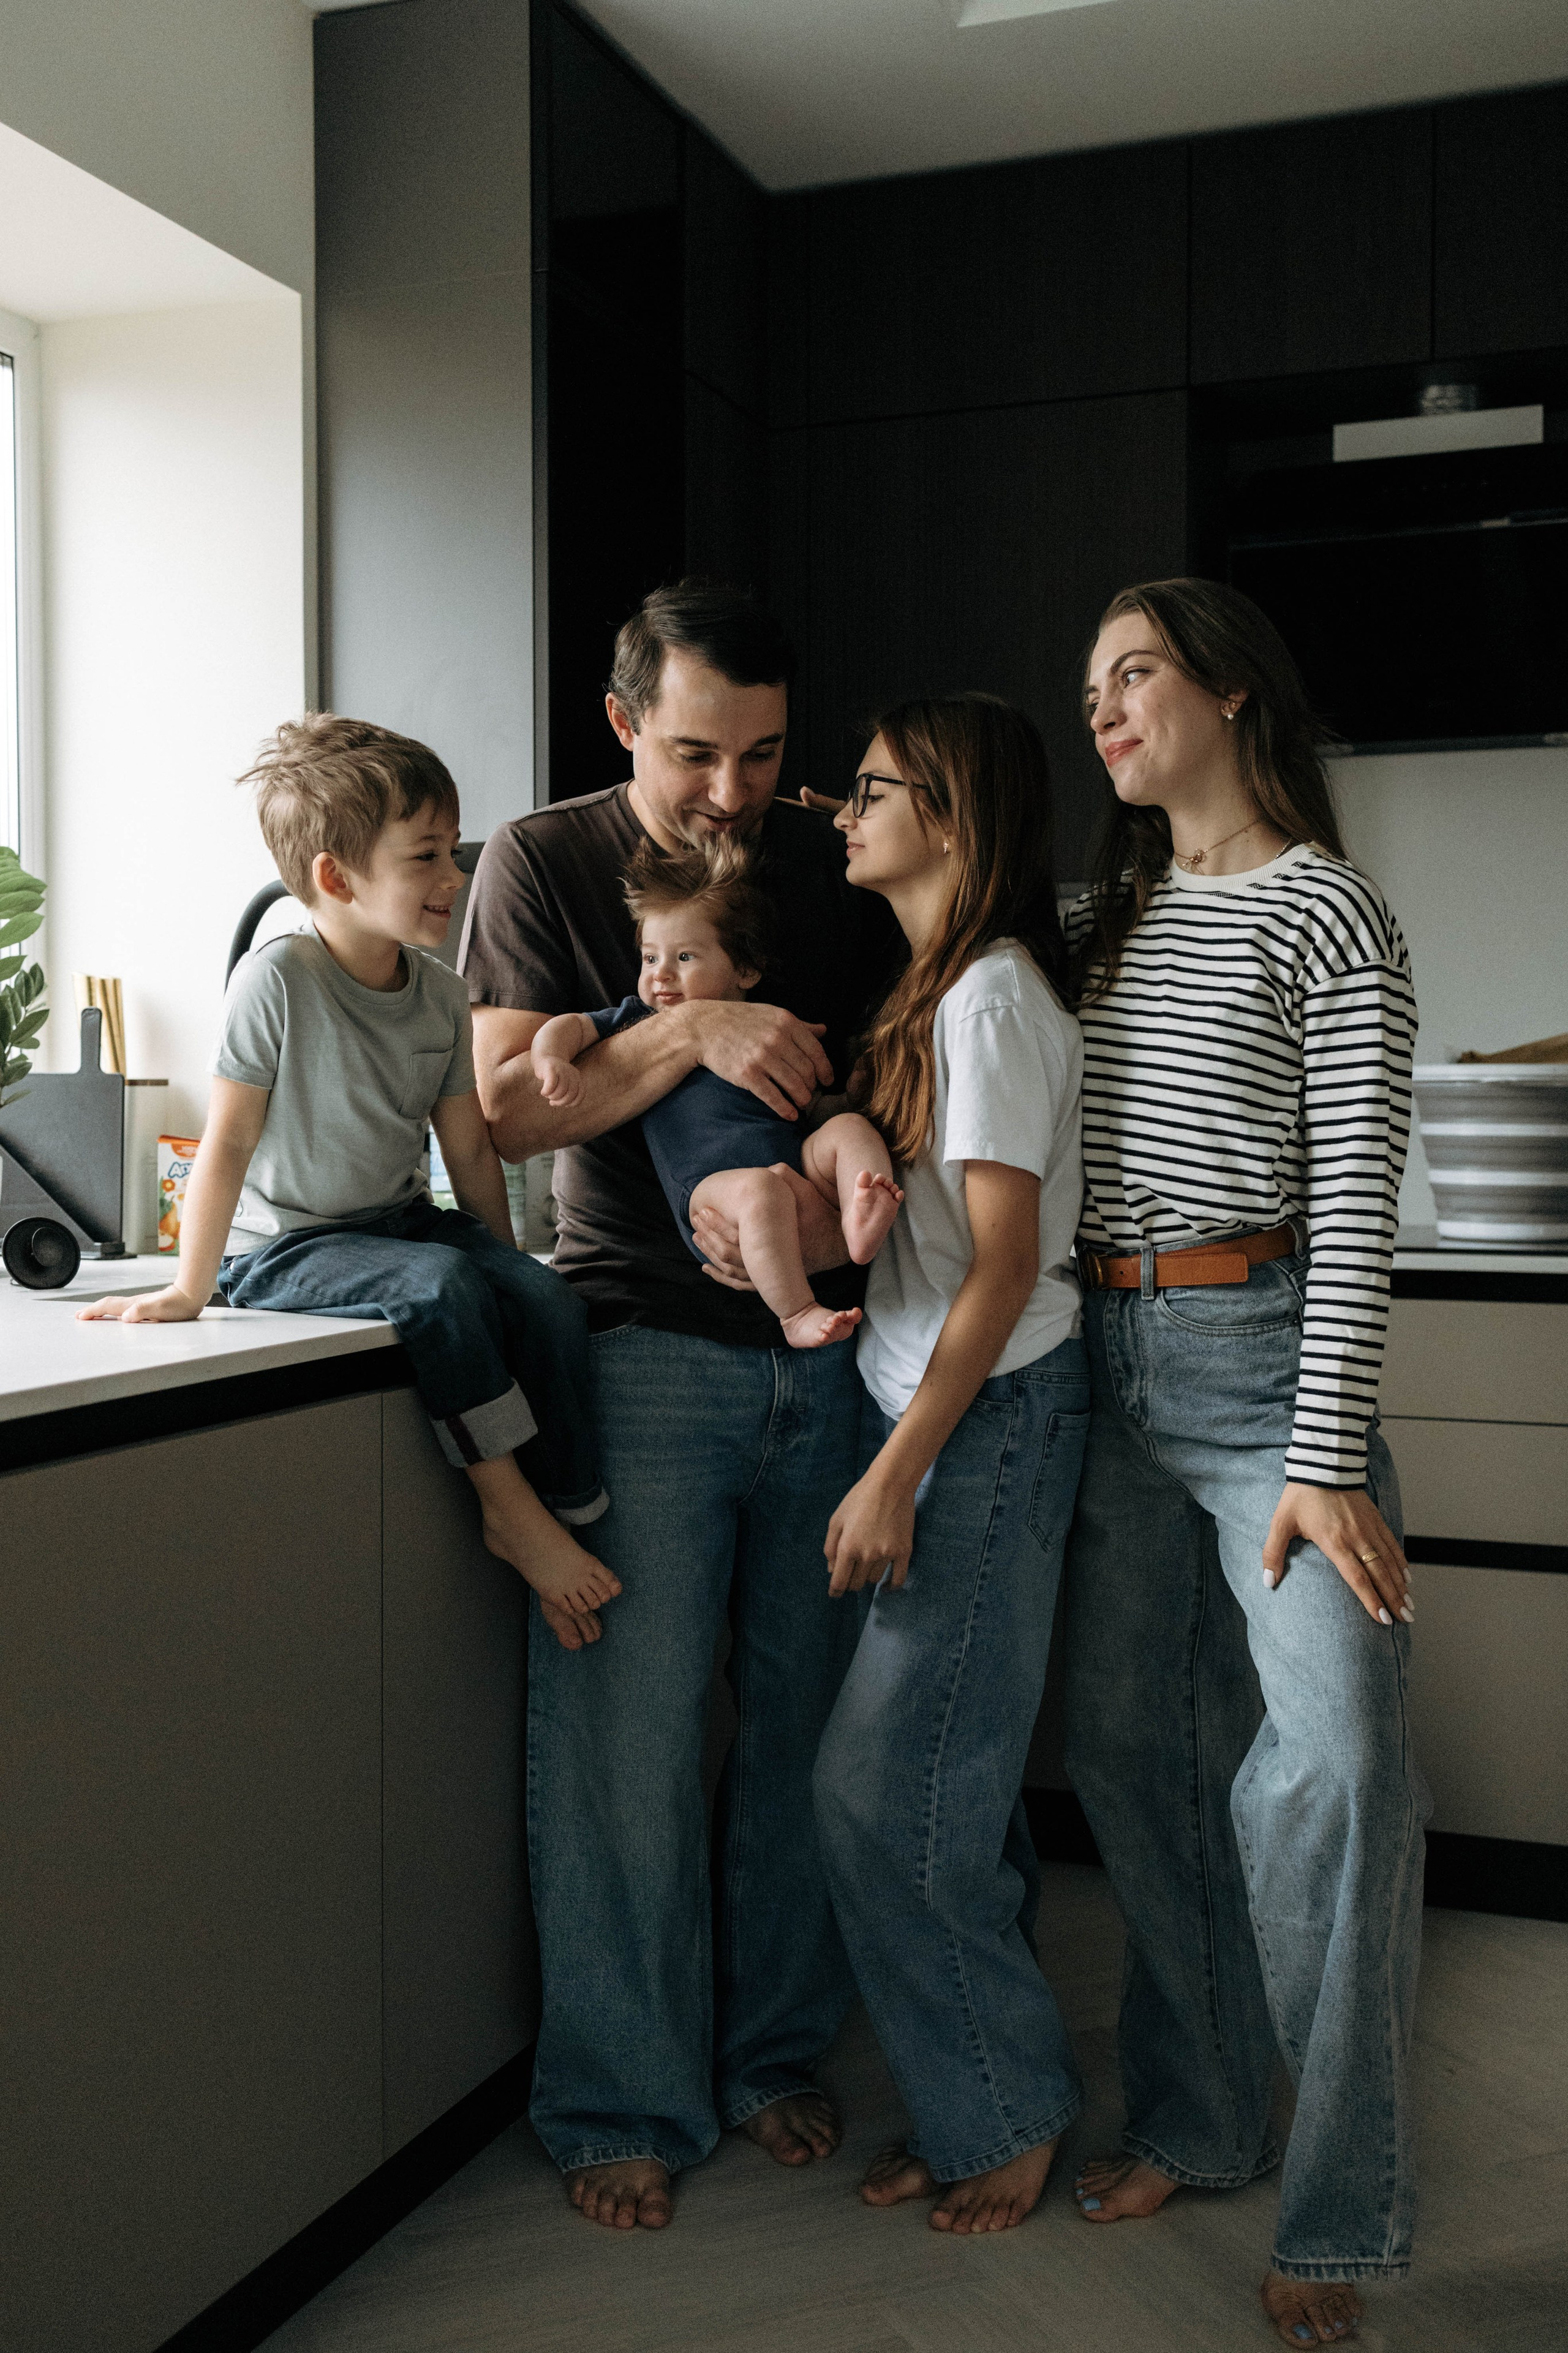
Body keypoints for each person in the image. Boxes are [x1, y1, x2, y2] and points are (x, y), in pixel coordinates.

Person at [461, 581, 901, 2230]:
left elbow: (877, 1073)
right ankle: (619, 2097)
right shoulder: (543, 859)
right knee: (623, 1750)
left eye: (767, 754)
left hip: (838, 1354)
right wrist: (696, 1019)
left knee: (807, 1738)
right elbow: (507, 1117)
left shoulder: (821, 852)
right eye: (701, 753)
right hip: (637, 1350)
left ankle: (775, 2055)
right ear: (624, 719)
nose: (737, 794)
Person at [1060, 580, 1423, 2349]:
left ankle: (1340, 2212)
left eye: (1135, 675)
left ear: (1229, 691)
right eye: (1093, 689)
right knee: (1136, 1753)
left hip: (1264, 1368)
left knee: (1339, 1775)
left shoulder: (1331, 908)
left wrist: (1327, 1446)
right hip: (1098, 1365)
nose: (1107, 709)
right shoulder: (1104, 915)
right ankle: (1200, 2123)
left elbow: (1357, 1197)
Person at [78, 716, 615, 1648]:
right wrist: (187, 1286)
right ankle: (508, 1507)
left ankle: (572, 1503)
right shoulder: (275, 980)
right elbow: (228, 1145)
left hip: (397, 1222)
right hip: (287, 1244)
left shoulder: (444, 993)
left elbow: (471, 1152)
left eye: (453, 850)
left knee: (544, 1296)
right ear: (337, 877)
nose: (456, 877)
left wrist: (503, 1253)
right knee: (441, 1291)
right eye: (427, 857)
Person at [809, 693, 1090, 2237]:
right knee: (943, 1792)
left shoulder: (984, 999)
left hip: (978, 1427)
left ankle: (1007, 2106)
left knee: (876, 1789)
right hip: (942, 1412)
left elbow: (998, 1265)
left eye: (870, 788)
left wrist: (897, 1467)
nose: (841, 809)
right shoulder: (943, 987)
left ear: (953, 814)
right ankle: (969, 2088)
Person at [529, 834, 903, 1347]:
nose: (660, 974)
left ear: (746, 969)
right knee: (761, 1190)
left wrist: (849, 1102)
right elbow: (570, 1026)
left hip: (792, 1167)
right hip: (712, 1191)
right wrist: (551, 1058)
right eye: (650, 957)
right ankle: (796, 1314)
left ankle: (862, 1220)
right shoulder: (639, 1023)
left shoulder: (768, 1028)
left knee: (849, 1129)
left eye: (684, 956)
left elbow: (810, 1107)